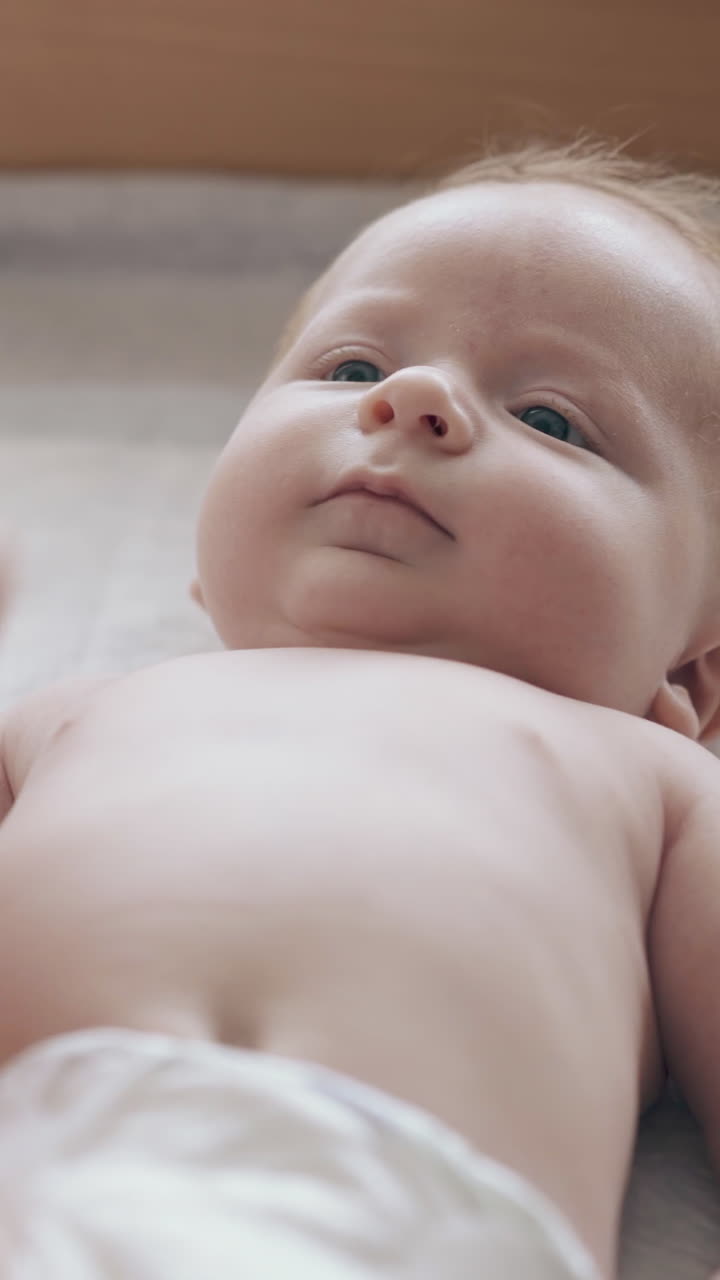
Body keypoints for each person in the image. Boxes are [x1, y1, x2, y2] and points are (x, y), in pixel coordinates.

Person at [1, 137, 720, 1280]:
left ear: (690, 680)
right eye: (348, 370)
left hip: (376, 1214)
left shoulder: (650, 779)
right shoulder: (75, 712)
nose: (414, 398)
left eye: (553, 417)